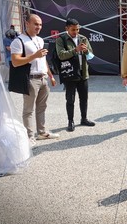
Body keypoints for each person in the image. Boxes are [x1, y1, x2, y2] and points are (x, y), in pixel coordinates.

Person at [10, 14, 59, 146]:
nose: (38, 27)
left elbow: (43, 60)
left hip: (43, 78)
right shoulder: (18, 41)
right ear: (27, 23)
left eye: (40, 24)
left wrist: (51, 76)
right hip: (31, 79)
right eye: (36, 24)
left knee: (42, 107)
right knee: (28, 110)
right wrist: (34, 55)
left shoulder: (40, 40)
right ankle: (29, 137)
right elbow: (15, 62)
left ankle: (42, 133)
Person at [56, 18, 96, 132]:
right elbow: (61, 55)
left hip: (83, 74)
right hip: (70, 74)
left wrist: (86, 51)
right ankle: (70, 121)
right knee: (70, 99)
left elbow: (91, 54)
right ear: (67, 28)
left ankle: (84, 118)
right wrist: (75, 50)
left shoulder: (83, 38)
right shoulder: (61, 39)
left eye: (77, 29)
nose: (76, 32)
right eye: (73, 30)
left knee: (84, 98)